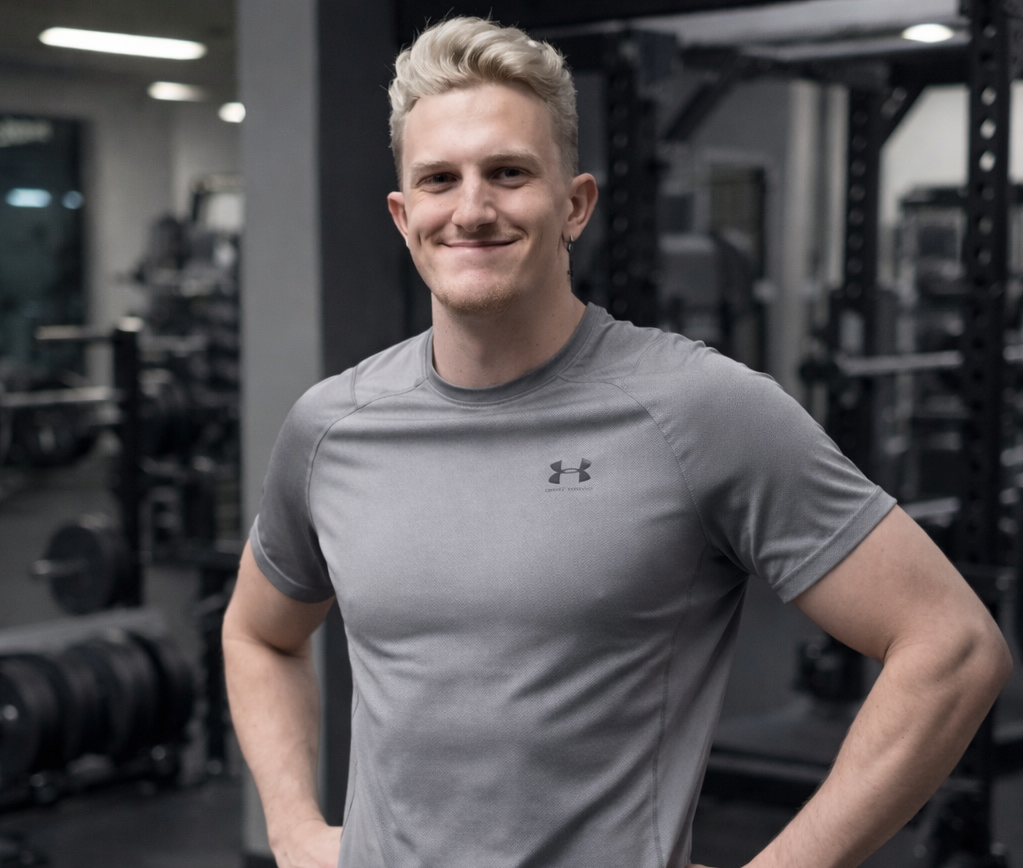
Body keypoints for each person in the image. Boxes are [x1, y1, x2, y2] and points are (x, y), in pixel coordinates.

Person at [222, 16, 1012, 868]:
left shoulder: (700, 410)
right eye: (439, 179)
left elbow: (952, 647)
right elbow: (260, 633)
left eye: (508, 173)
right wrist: (294, 831)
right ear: (402, 213)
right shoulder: (331, 426)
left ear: (575, 203)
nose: (472, 208)